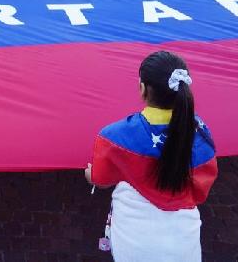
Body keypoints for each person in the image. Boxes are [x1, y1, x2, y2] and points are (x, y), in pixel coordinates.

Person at [85, 51, 217, 262]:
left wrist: (90, 175)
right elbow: (200, 191)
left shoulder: (113, 136)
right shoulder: (201, 132)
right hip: (184, 242)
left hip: (133, 241)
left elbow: (101, 180)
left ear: (142, 89)